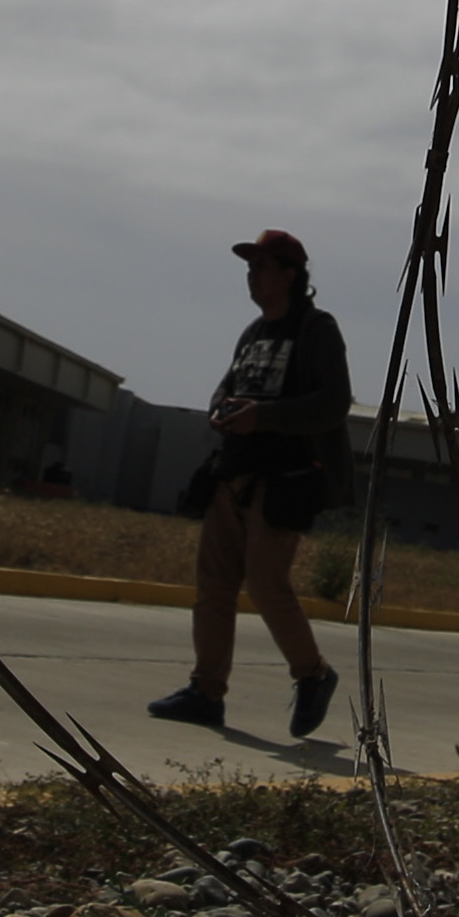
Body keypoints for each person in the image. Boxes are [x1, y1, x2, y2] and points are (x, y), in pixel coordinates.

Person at [150, 226, 351, 738]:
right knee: (213, 586)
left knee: (266, 583)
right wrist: (221, 408)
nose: (252, 275)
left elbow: (333, 403)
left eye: (262, 266)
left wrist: (265, 416)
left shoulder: (315, 329)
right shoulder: (253, 332)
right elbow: (229, 383)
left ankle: (314, 674)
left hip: (284, 479)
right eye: (249, 267)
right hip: (232, 471)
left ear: (290, 274)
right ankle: (205, 692)